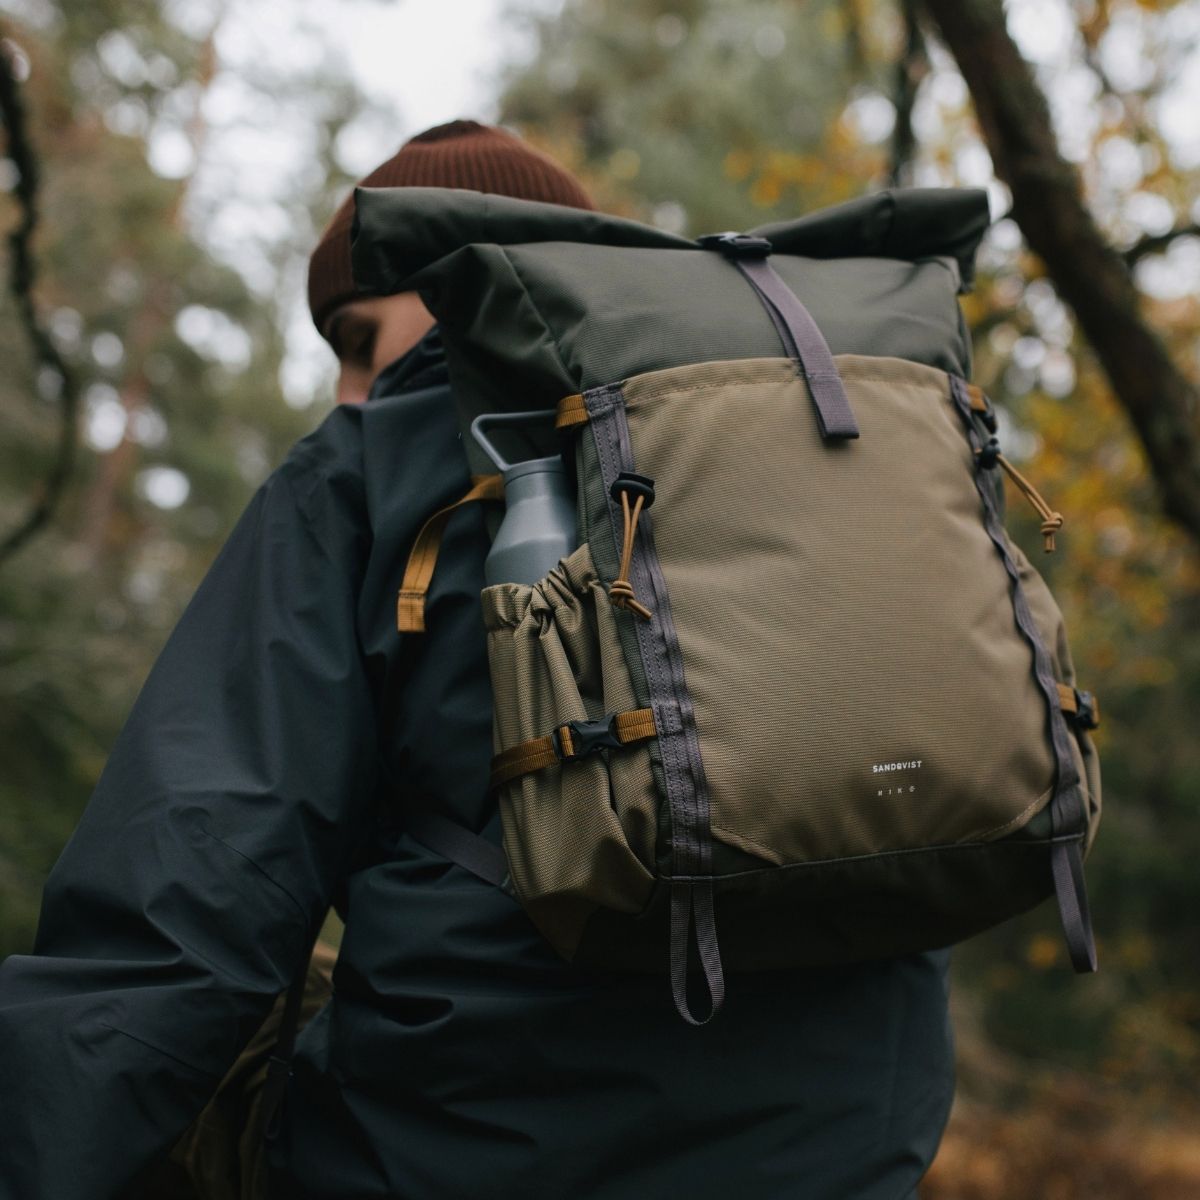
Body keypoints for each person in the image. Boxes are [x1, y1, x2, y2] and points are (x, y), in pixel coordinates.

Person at [0, 120, 956, 1200]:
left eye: (360, 341)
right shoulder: (827, 467)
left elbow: (179, 911)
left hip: (450, 1158)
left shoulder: (376, 459)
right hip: (846, 1158)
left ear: (456, 282)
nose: (347, 392)